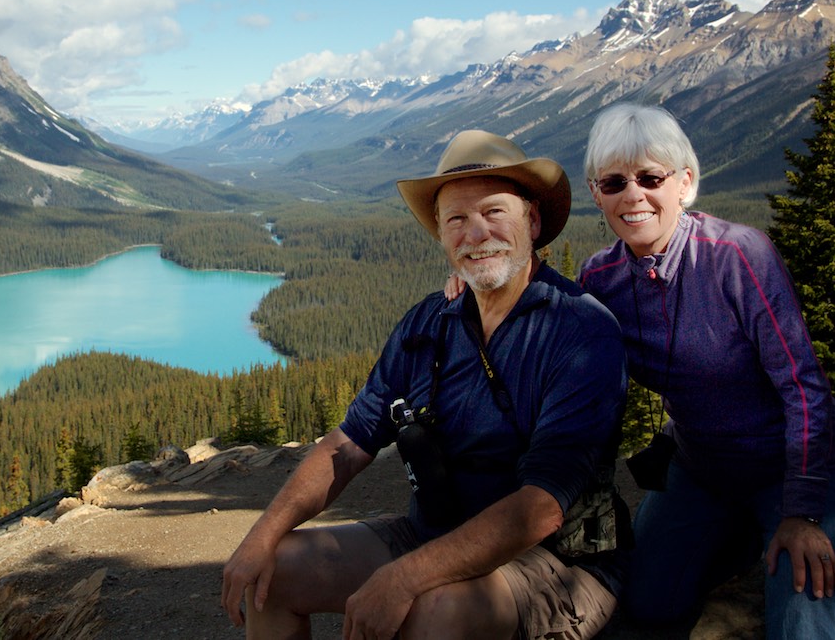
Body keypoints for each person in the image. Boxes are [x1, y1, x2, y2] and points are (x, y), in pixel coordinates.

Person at [221, 129, 628, 640]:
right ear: (440, 233)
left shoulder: (579, 331)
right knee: (272, 571)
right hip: (432, 535)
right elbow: (348, 444)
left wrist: (403, 578)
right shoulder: (428, 325)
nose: (476, 233)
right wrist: (263, 534)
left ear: (534, 220)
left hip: (554, 563)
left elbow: (542, 508)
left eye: (495, 212)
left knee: (435, 610)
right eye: (456, 218)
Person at [576, 103, 835, 638]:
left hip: (806, 468)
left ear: (685, 183)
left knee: (800, 610)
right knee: (647, 600)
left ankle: (765, 534)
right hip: (703, 470)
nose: (633, 195)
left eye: (650, 177)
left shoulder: (738, 257)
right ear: (597, 194)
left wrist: (801, 514)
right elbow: (551, 322)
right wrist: (476, 281)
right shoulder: (600, 278)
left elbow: (803, 387)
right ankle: (736, 538)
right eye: (614, 181)